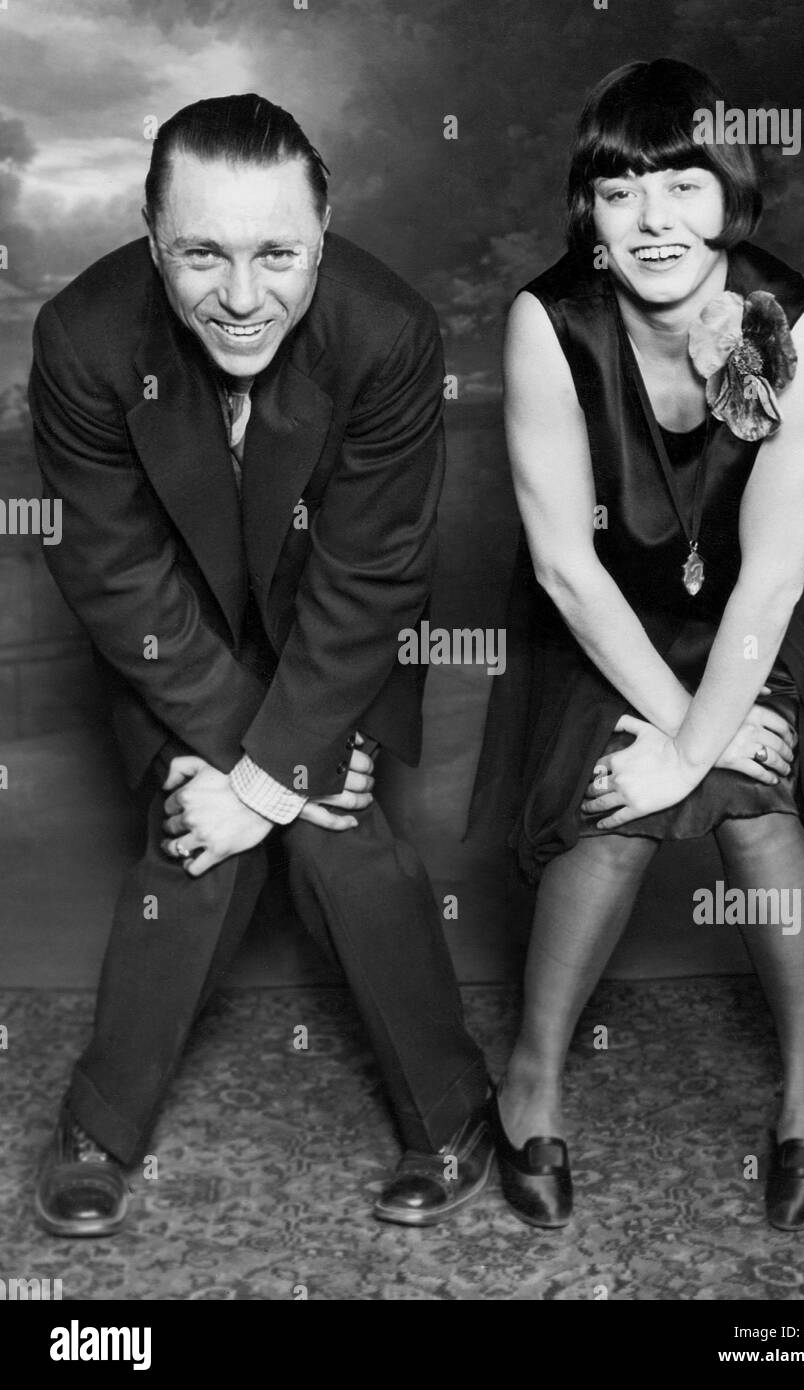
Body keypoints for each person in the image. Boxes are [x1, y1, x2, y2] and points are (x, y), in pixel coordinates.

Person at [30, 94, 493, 1238]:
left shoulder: (389, 334)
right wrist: (241, 774)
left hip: (335, 627)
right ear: (152, 240)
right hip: (176, 636)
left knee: (344, 834)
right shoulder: (82, 341)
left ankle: (455, 1115)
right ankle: (102, 1123)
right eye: (202, 253)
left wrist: (279, 773)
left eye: (277, 252)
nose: (243, 297)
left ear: (323, 237)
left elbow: (372, 577)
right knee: (193, 832)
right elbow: (117, 575)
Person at [470, 59, 804, 1232]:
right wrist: (671, 738)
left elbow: (777, 573)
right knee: (616, 805)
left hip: (762, 597)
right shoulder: (547, 324)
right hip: (607, 597)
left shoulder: (793, 320)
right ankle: (531, 1082)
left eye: (684, 183)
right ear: (588, 211)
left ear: (732, 193)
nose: (653, 220)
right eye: (619, 190)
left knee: (757, 796)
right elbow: (564, 566)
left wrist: (704, 743)